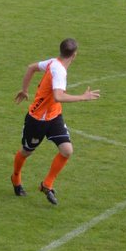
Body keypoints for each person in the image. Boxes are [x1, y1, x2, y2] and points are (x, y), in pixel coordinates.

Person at [11, 38, 101, 204]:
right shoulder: (58, 71)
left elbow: (31, 67)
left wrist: (24, 90)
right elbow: (58, 96)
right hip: (37, 120)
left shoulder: (53, 62)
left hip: (54, 117)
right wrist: (83, 97)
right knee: (26, 152)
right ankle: (16, 177)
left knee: (67, 150)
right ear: (74, 55)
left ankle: (47, 184)